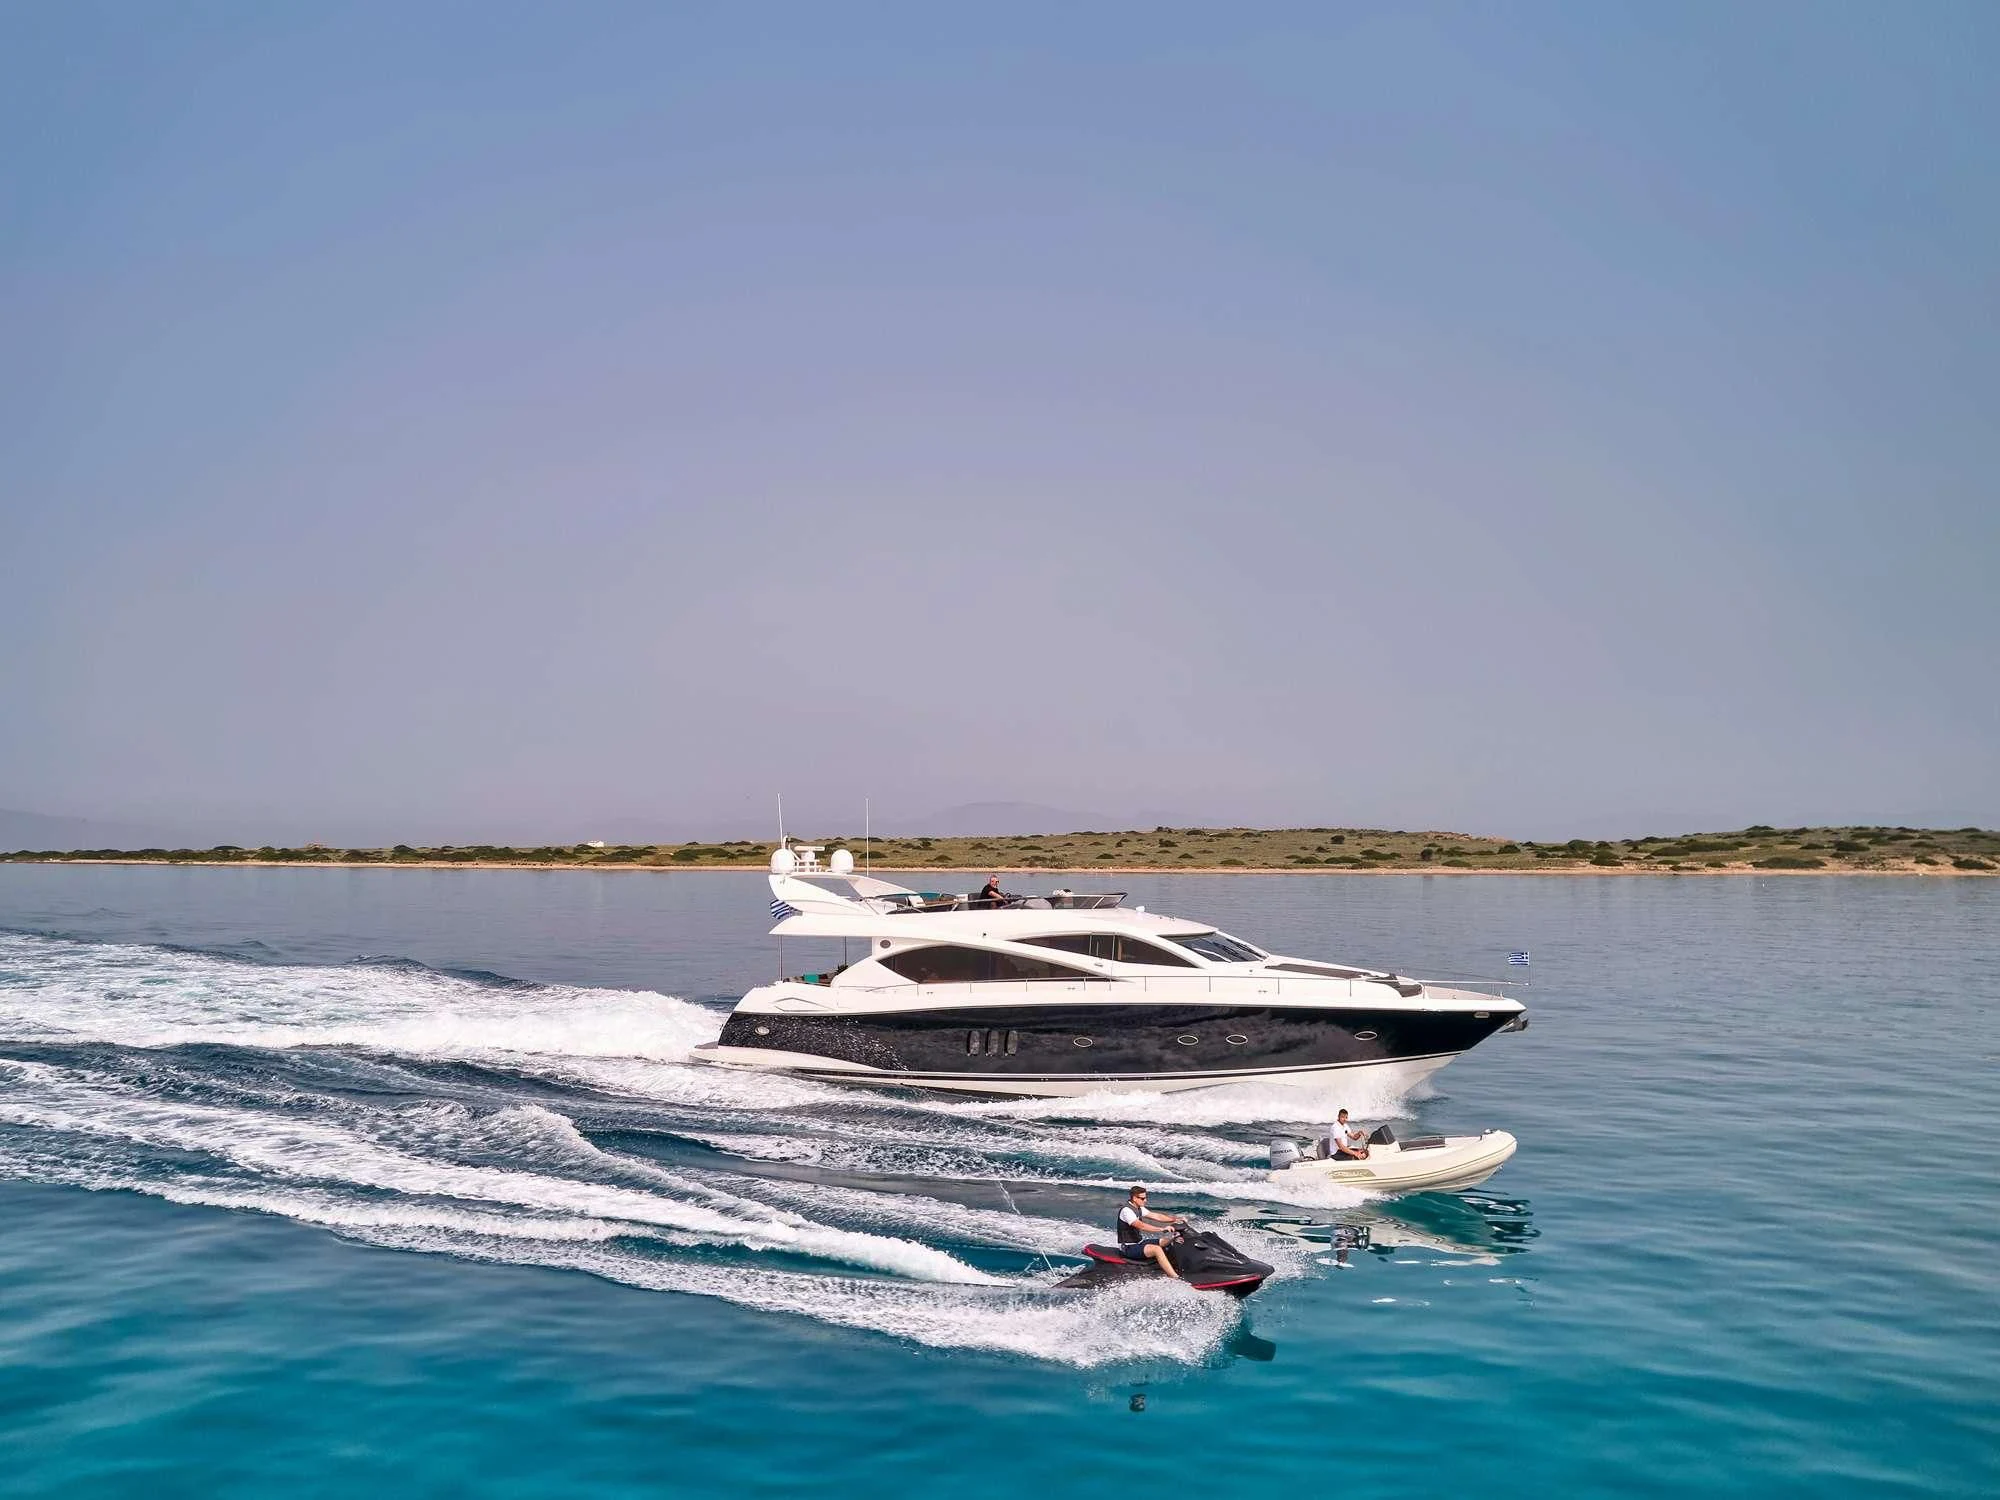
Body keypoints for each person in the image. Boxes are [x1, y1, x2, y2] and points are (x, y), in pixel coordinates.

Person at [1115, 1186, 1187, 1279]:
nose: (1145, 1200)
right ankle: (1175, 1277)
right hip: (1128, 1248)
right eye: (1142, 1198)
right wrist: (1162, 1229)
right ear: (1134, 1198)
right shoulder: (1127, 1211)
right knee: (1157, 1249)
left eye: (1145, 1197)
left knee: (1168, 1240)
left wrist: (1175, 1219)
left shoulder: (1139, 1208)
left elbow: (1156, 1216)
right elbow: (1141, 1225)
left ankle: (1176, 1265)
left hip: (1139, 1242)